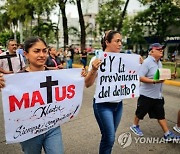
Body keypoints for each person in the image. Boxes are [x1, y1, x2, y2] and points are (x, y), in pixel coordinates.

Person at [0, 37, 64, 154]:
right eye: (36, 51)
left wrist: (80, 75)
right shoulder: (16, 80)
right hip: (29, 131)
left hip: (52, 126)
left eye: (44, 51)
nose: (42, 55)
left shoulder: (56, 75)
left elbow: (78, 85)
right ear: (26, 54)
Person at [130, 43, 180, 142]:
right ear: (151, 51)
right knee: (140, 113)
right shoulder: (147, 62)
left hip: (157, 96)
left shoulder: (159, 63)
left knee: (161, 115)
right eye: (158, 49)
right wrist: (154, 81)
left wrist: (171, 75)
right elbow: (140, 77)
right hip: (146, 95)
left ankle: (167, 134)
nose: (161, 50)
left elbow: (160, 76)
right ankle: (134, 126)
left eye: (162, 49)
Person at [85, 30, 123, 154]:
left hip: (118, 104)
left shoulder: (123, 59)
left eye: (121, 41)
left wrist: (139, 63)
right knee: (110, 138)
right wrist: (94, 70)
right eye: (117, 41)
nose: (120, 44)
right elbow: (87, 84)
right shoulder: (96, 59)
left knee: (108, 137)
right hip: (102, 105)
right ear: (107, 42)